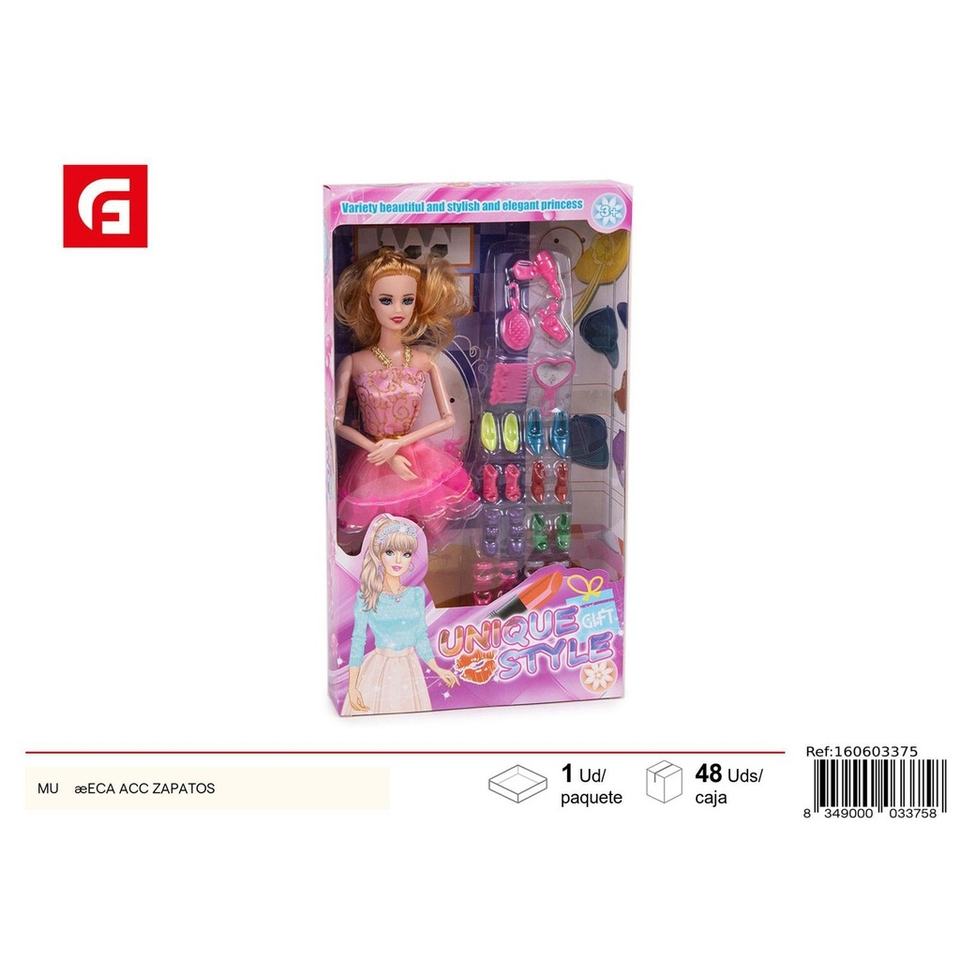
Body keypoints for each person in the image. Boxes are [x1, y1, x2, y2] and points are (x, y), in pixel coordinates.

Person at [333, 249, 479, 549]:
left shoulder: (425, 361)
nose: (398, 309)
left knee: (415, 538)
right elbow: (336, 424)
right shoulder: (354, 363)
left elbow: (447, 419)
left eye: (407, 300)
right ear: (370, 301)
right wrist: (383, 451)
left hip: (416, 457)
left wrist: (398, 444)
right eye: (386, 300)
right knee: (382, 540)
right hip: (372, 460)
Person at [343, 515, 458, 715]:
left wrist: (437, 668)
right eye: (390, 552)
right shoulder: (367, 596)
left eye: (406, 554)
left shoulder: (415, 595)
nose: (398, 560)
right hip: (380, 668)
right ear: (379, 554)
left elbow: (420, 636)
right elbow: (358, 641)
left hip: (409, 668)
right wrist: (352, 687)